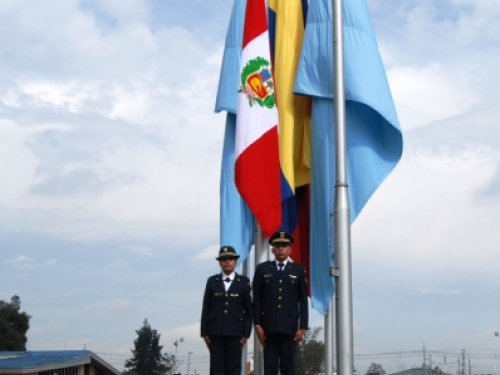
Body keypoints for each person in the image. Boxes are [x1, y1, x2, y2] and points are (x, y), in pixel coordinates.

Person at [253, 231, 309, 375]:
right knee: (270, 368)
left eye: (284, 246)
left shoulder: (298, 270)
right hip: (268, 327)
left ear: (289, 249)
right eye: (278, 246)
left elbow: (302, 301)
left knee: (288, 368)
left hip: (289, 328)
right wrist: (257, 324)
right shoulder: (262, 269)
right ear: (273, 249)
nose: (281, 249)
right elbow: (257, 299)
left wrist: (302, 327)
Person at [200, 246, 252, 375]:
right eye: (224, 259)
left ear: (235, 261)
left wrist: (246, 334)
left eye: (230, 259)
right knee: (216, 368)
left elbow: (248, 311)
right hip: (215, 331)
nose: (227, 261)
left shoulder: (243, 282)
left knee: (233, 367)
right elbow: (206, 307)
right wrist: (204, 332)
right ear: (220, 262)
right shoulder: (212, 281)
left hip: (236, 333)